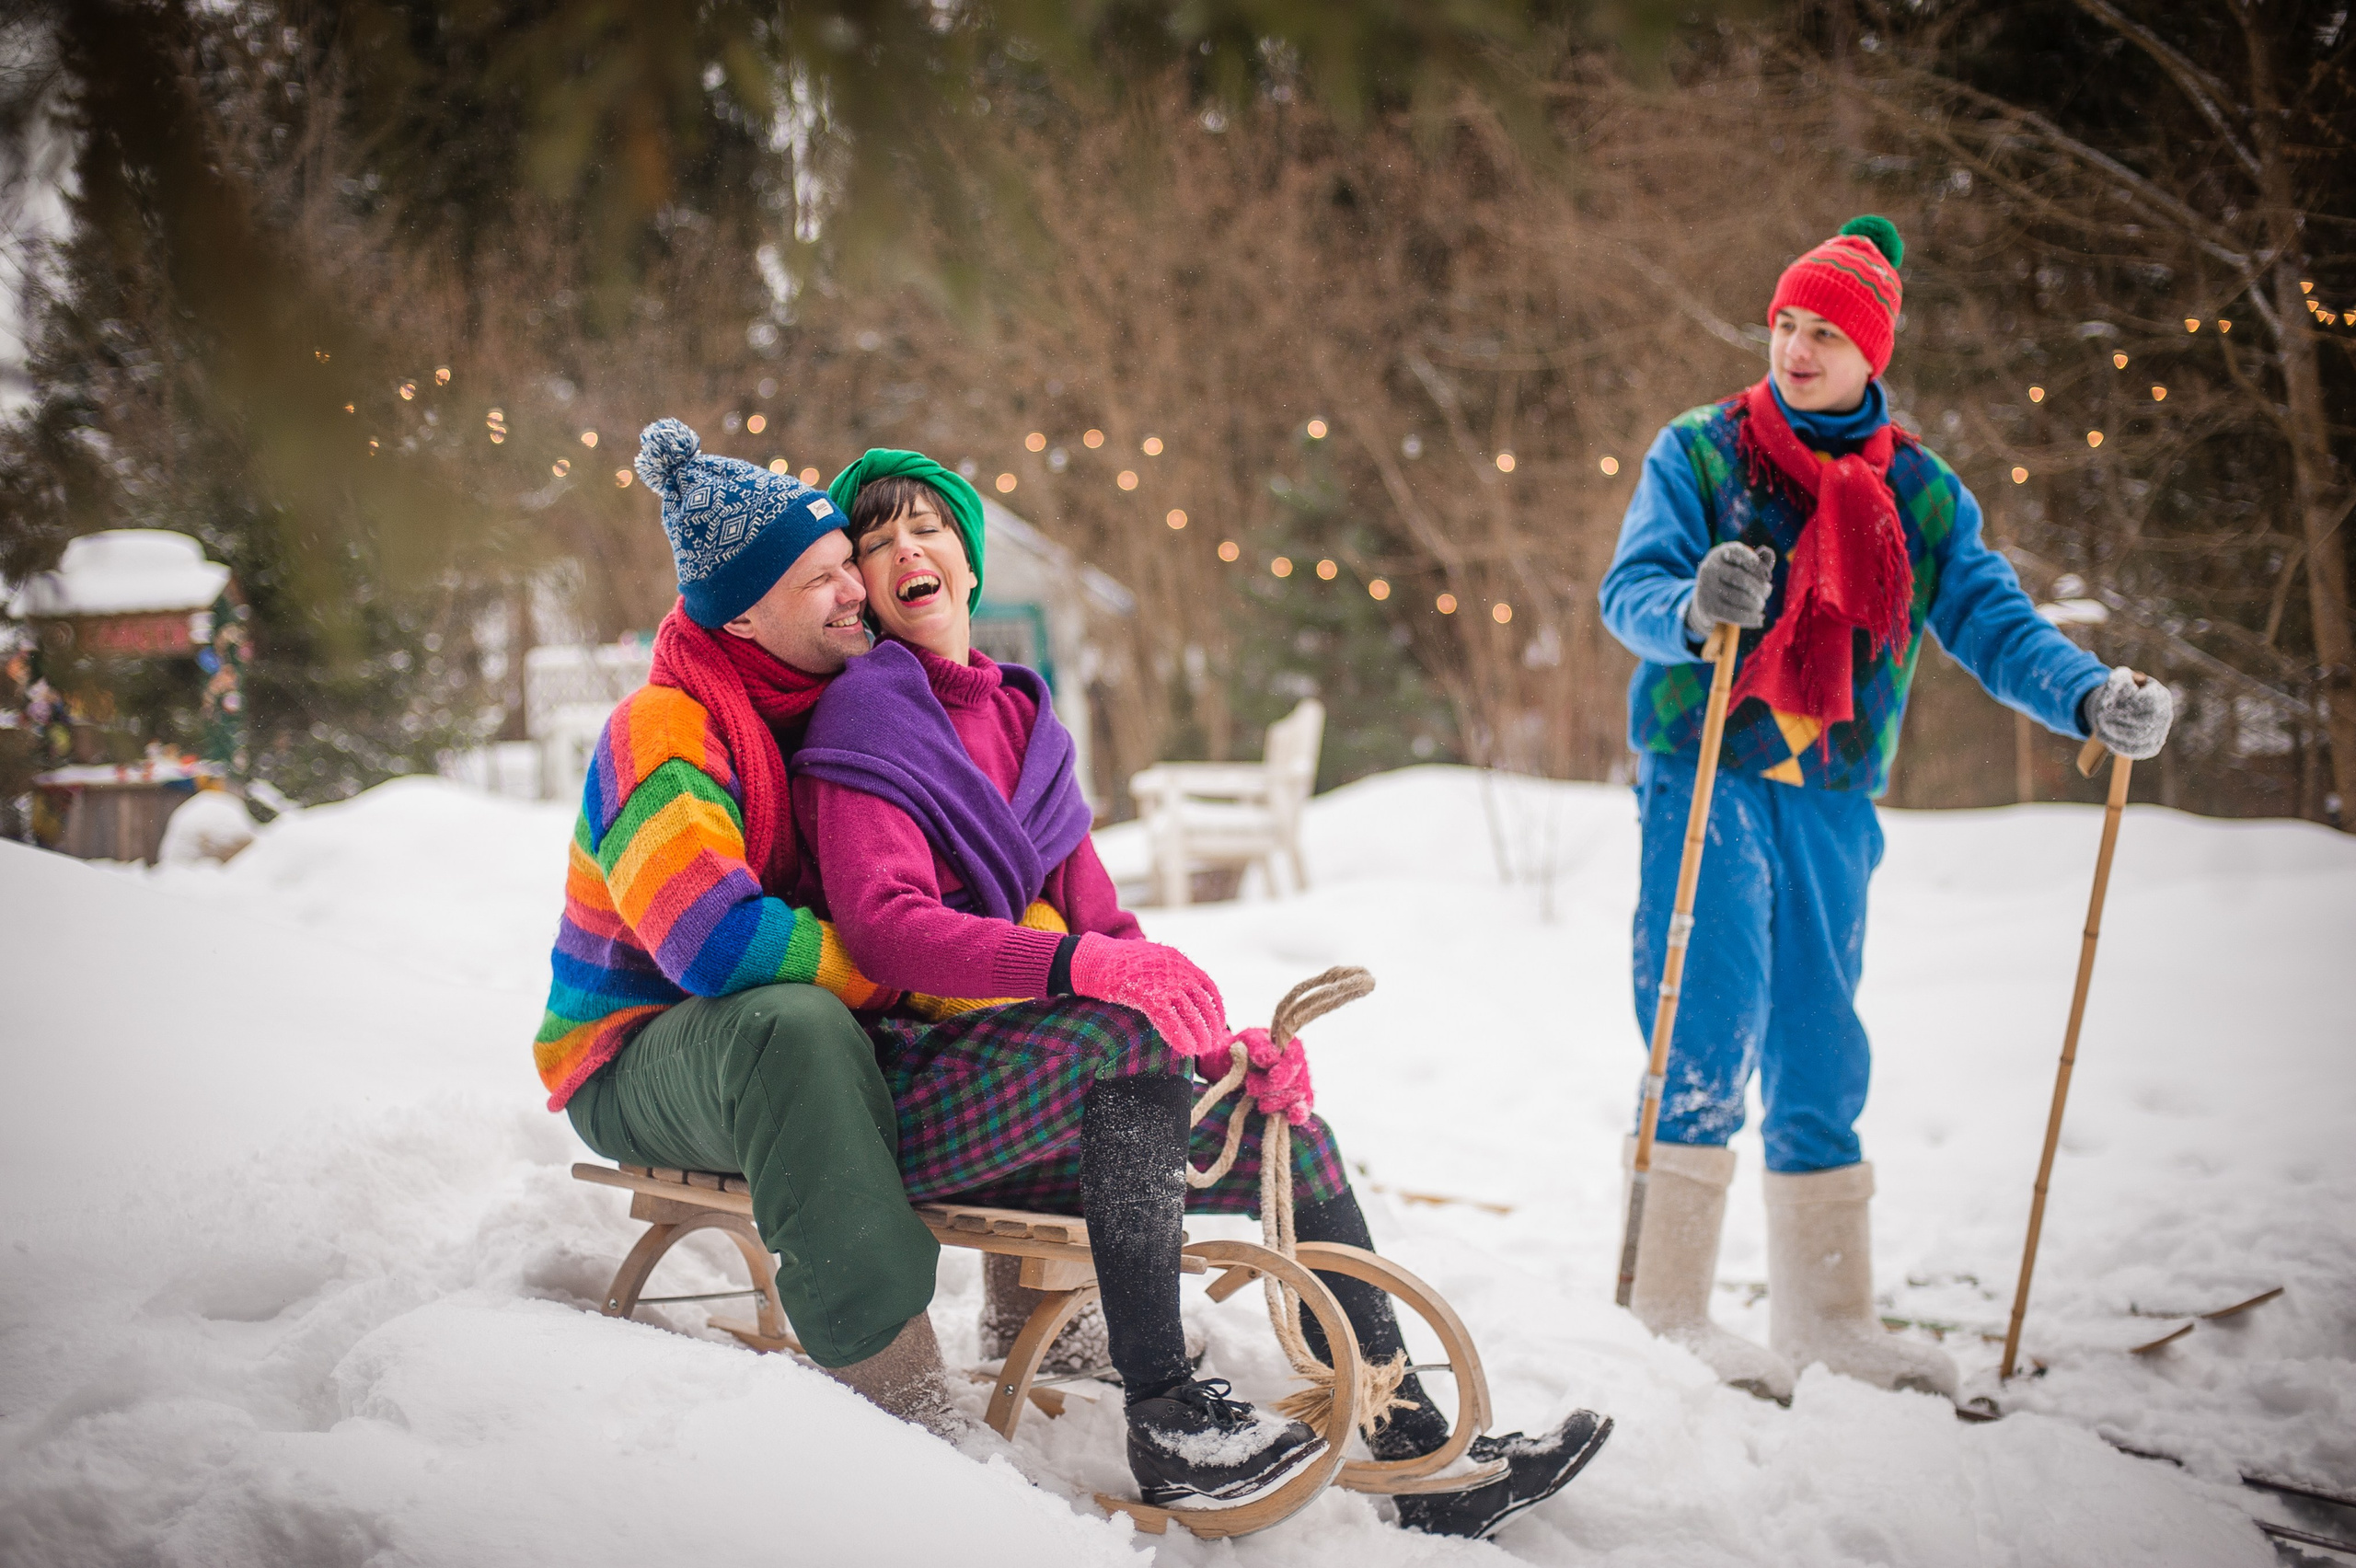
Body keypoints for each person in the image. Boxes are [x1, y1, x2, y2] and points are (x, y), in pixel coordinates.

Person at [790, 448, 1611, 1534]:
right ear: (870, 585)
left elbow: (1107, 930)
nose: (907, 549)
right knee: (1116, 1039)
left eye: (929, 527)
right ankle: (1165, 1411)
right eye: (879, 539)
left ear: (970, 562)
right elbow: (887, 929)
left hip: (1035, 1076)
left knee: (1282, 1128)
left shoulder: (1030, 724)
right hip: (917, 1093)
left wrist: (1219, 1046)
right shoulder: (865, 720)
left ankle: (1407, 1438)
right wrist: (1091, 975)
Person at [1597, 216, 2174, 1403]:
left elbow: (1992, 622)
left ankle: (1829, 1318)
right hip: (1703, 767)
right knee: (1704, 1011)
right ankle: (1664, 1310)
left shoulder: (1918, 492)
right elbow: (1629, 591)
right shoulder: (1701, 453)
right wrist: (1693, 605)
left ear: (1872, 352)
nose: (1796, 350)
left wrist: (2087, 696)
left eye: (1823, 333)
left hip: (1832, 790)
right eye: (1784, 325)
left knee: (1819, 1035)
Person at [537, 419, 967, 1436]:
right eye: (819, 578)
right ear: (741, 618)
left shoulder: (839, 708)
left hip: (767, 1038)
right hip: (638, 1052)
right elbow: (714, 944)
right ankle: (894, 1389)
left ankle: (1068, 1306)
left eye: (843, 566)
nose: (855, 589)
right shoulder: (663, 727)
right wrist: (896, 976)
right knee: (794, 1026)